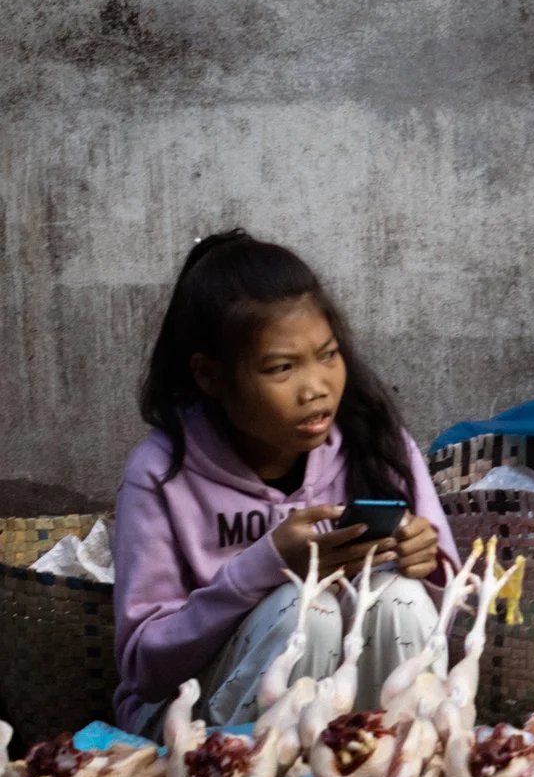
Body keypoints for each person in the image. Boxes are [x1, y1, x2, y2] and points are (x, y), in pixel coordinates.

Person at [112, 232, 452, 734]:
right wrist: (264, 567)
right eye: (281, 368)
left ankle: (389, 765)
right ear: (209, 376)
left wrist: (429, 564)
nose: (316, 388)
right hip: (198, 721)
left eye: (328, 355)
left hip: (348, 703)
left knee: (399, 596)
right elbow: (144, 667)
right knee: (304, 610)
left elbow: (455, 615)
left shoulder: (376, 443)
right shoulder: (161, 473)